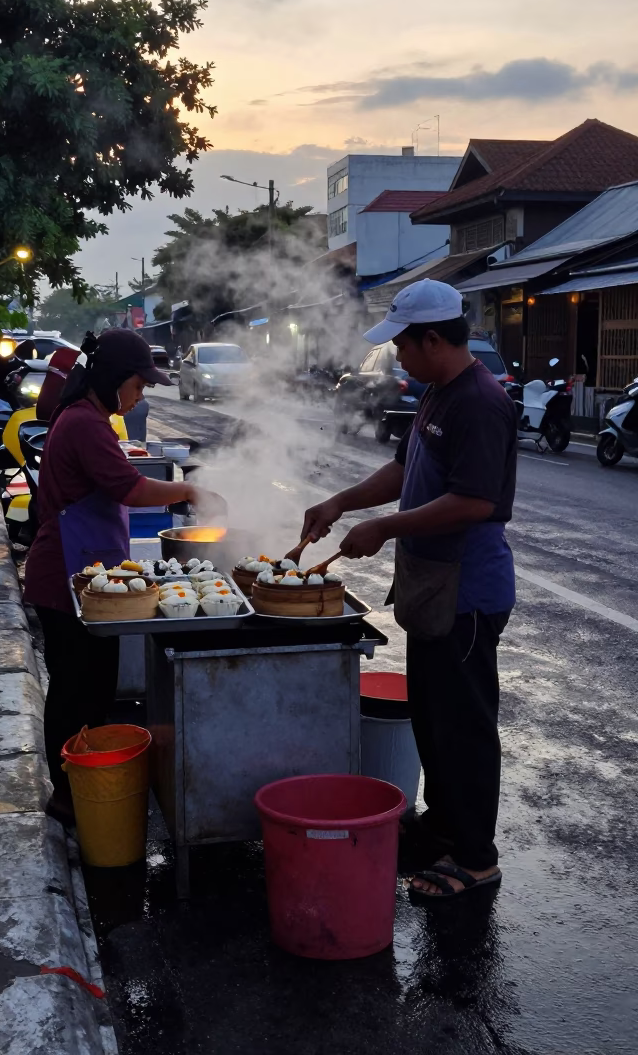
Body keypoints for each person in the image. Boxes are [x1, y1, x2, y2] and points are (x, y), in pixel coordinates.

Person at [302, 280, 517, 902]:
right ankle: (445, 829)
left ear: (433, 339)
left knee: (465, 728)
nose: (396, 355)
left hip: (468, 593)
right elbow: (405, 470)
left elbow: (476, 501)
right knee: (433, 718)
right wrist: (342, 502)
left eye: (402, 343)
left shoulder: (478, 401)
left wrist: (384, 528)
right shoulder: (438, 397)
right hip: (432, 589)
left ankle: (475, 858)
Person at [24, 329, 224, 824]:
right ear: (115, 379)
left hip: (90, 579)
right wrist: (191, 495)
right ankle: (69, 793)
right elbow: (128, 489)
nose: (141, 395)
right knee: (76, 688)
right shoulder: (85, 424)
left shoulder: (91, 420)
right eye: (138, 385)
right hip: (67, 578)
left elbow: (116, 479)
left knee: (92, 688)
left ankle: (87, 781)